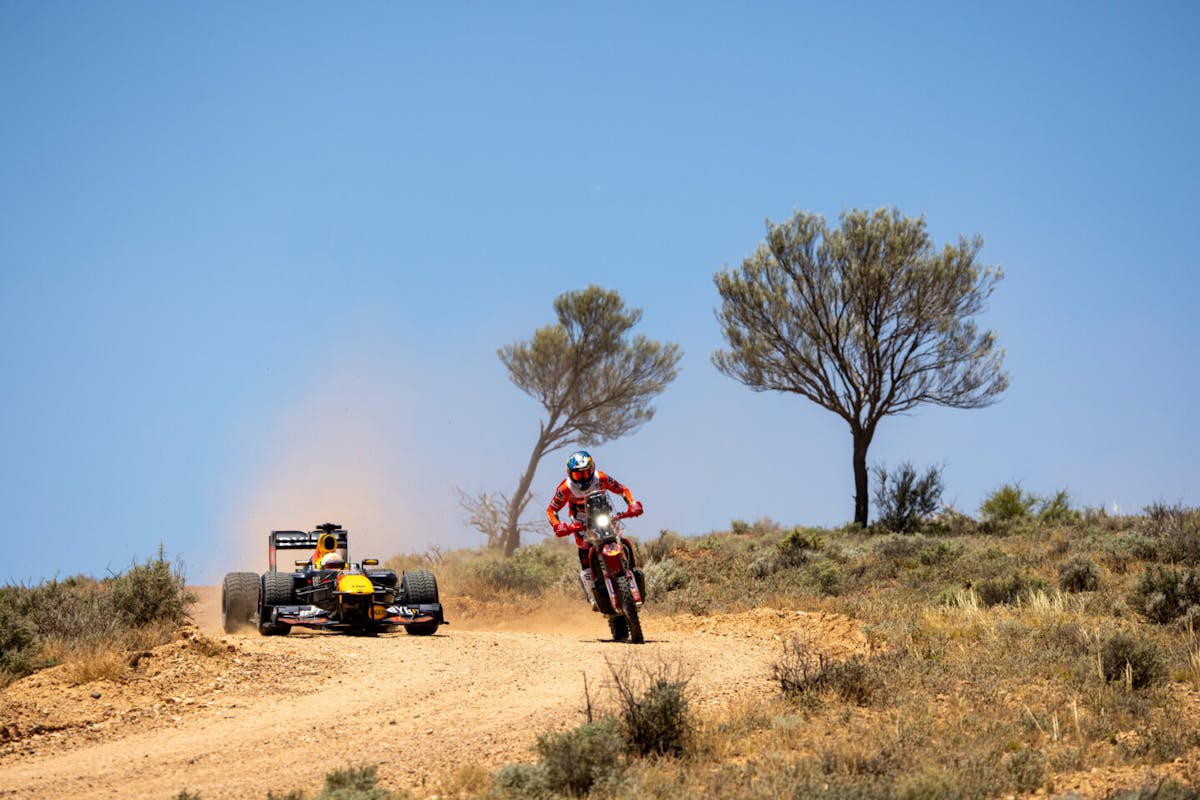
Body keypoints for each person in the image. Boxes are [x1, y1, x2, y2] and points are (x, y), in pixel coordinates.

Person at [546, 450, 643, 580]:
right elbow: (551, 509)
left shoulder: (601, 478)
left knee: (619, 537)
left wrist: (632, 504)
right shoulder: (565, 488)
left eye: (585, 473)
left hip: (603, 513)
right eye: (577, 475)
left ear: (592, 469)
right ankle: (588, 576)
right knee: (583, 545)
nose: (583, 479)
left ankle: (633, 569)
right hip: (580, 519)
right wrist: (557, 525)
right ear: (569, 474)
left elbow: (622, 489)